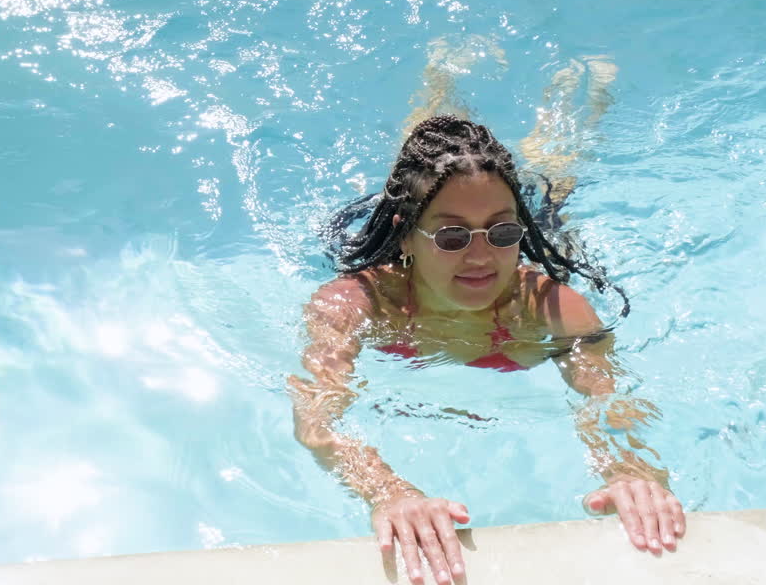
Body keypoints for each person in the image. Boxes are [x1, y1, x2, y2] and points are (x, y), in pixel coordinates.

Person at [288, 45, 684, 585]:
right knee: (430, 156)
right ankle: (439, 75)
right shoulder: (356, 304)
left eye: (501, 233)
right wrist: (389, 491)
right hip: (410, 226)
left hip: (515, 217)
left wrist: (630, 470)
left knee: (553, 178)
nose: (481, 256)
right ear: (406, 233)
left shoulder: (552, 309)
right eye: (452, 235)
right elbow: (317, 420)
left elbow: (608, 401)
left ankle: (579, 90)